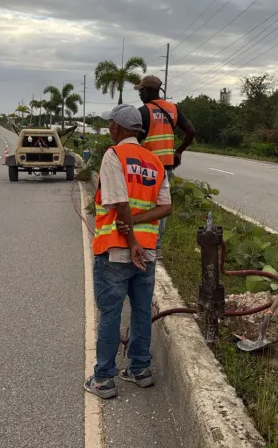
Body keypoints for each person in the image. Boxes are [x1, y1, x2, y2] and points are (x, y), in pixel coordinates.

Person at [84, 104, 173, 400]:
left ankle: (103, 379)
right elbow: (165, 207)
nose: (109, 128)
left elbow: (121, 203)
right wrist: (138, 232)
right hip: (147, 252)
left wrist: (131, 238)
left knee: (110, 314)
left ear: (116, 127)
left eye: (110, 124)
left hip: (117, 250)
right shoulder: (155, 162)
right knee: (141, 311)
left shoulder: (114, 155)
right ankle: (140, 370)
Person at [134, 75, 196, 259]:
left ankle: (147, 243)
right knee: (162, 205)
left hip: (147, 168)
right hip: (166, 167)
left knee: (146, 205)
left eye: (141, 91)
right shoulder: (173, 109)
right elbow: (191, 131)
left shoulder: (143, 112)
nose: (139, 94)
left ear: (148, 91)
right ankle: (157, 247)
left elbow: (134, 141)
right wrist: (179, 151)